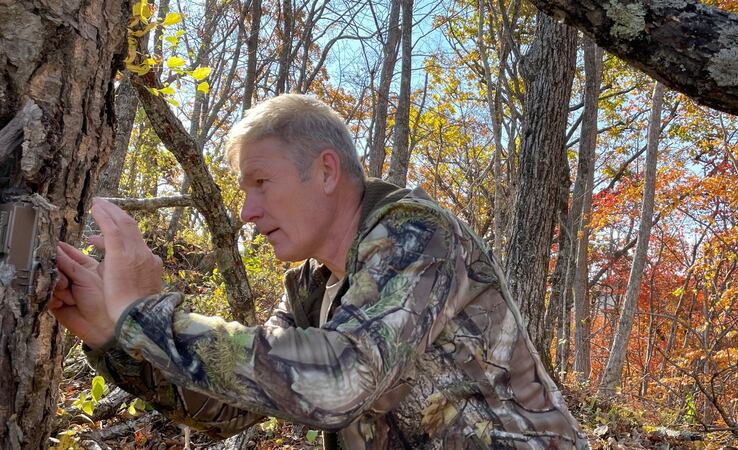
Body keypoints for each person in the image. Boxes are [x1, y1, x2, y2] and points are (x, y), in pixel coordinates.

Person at [52, 94, 588, 449]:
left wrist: (145, 314)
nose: (246, 212)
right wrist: (114, 335)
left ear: (326, 170)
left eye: (261, 182)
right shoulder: (312, 286)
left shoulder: (417, 235)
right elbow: (229, 409)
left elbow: (340, 380)